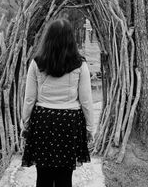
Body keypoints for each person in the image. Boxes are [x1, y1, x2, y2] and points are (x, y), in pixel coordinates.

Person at [21, 18, 94, 187]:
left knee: (43, 176)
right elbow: (86, 101)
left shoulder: (36, 63)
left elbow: (30, 98)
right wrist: (90, 128)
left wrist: (25, 123)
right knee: (64, 177)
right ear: (70, 39)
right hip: (69, 123)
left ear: (48, 38)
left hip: (43, 122)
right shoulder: (80, 64)